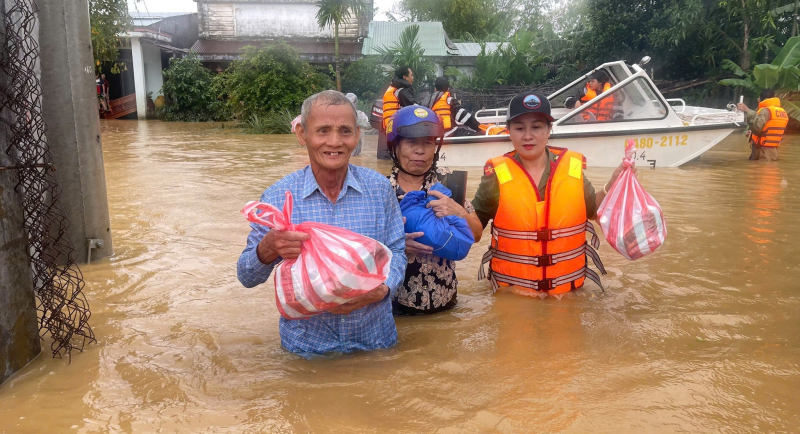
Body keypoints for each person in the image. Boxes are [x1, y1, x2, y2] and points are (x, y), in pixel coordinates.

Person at [237, 90, 407, 358]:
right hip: (308, 352)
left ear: (357, 136)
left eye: (345, 131)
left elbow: (397, 252)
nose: (335, 142)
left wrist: (382, 290)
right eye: (323, 131)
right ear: (302, 134)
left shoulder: (379, 189)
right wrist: (268, 248)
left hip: (374, 346)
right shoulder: (278, 197)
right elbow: (246, 276)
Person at [467, 91, 630, 296]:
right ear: (508, 131)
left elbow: (594, 211)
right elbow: (473, 230)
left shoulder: (571, 167)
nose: (528, 136)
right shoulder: (496, 175)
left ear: (549, 130)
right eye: (519, 128)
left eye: (536, 127)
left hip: (568, 295)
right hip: (514, 296)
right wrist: (455, 209)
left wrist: (613, 183)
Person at [386, 105, 482, 315]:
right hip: (395, 308)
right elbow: (362, 249)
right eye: (411, 143)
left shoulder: (450, 184)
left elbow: (476, 235)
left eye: (428, 143)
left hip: (445, 305)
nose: (420, 150)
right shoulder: (380, 190)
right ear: (396, 147)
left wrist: (458, 211)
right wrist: (398, 245)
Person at [737, 89, 789, 161]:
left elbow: (758, 127)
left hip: (763, 151)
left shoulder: (766, 110)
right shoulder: (782, 111)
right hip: (773, 151)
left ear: (761, 98)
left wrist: (747, 110)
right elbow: (769, 128)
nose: (757, 99)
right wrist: (751, 132)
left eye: (759, 97)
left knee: (761, 170)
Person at [382, 66, 416, 131]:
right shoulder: (403, 90)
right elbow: (412, 106)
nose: (413, 78)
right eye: (411, 75)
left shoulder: (392, 88)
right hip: (397, 126)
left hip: (388, 126)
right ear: (405, 77)